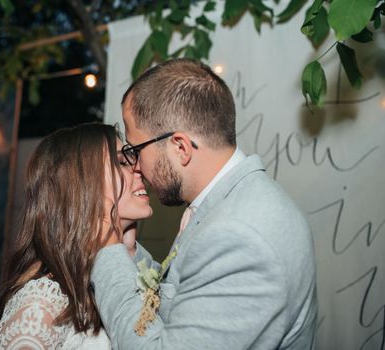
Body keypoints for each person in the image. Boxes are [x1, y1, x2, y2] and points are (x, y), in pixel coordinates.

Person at [90, 58, 318, 349]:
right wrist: (130, 252)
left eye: (136, 150)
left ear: (180, 147)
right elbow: (188, 296)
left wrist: (108, 249)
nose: (137, 168)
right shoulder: (229, 203)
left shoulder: (240, 234)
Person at [0, 123, 153, 349]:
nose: (139, 169)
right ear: (84, 185)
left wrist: (126, 249)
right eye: (121, 161)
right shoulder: (42, 302)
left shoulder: (128, 273)